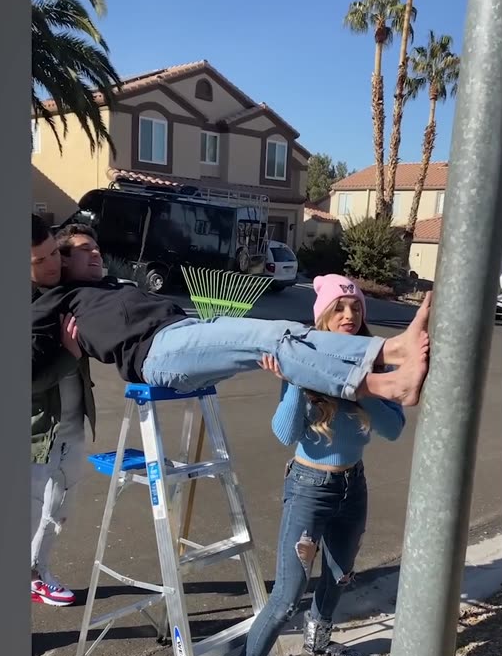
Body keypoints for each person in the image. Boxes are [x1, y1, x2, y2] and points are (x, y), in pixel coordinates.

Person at [221, 275, 404, 656]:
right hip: (309, 487)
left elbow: (394, 429)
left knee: (339, 575)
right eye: (339, 307)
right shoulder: (302, 359)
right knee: (287, 596)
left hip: (352, 486)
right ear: (321, 314)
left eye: (356, 308)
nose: (349, 315)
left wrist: (362, 386)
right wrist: (299, 384)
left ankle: (317, 643)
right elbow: (285, 433)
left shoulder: (374, 363)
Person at [32, 226, 433, 407]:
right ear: (62, 261)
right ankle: (389, 367)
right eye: (84, 249)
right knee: (270, 339)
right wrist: (69, 352)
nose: (96, 253)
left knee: (285, 330)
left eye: (96, 246)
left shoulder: (110, 285)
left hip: (183, 331)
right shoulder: (56, 299)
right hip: (156, 353)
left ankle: (386, 362)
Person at [29, 214, 97, 606]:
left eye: (55, 252)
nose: (53, 264)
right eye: (39, 261)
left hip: (71, 423)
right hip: (35, 432)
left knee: (61, 507)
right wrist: (69, 355)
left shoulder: (68, 289)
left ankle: (39, 570)